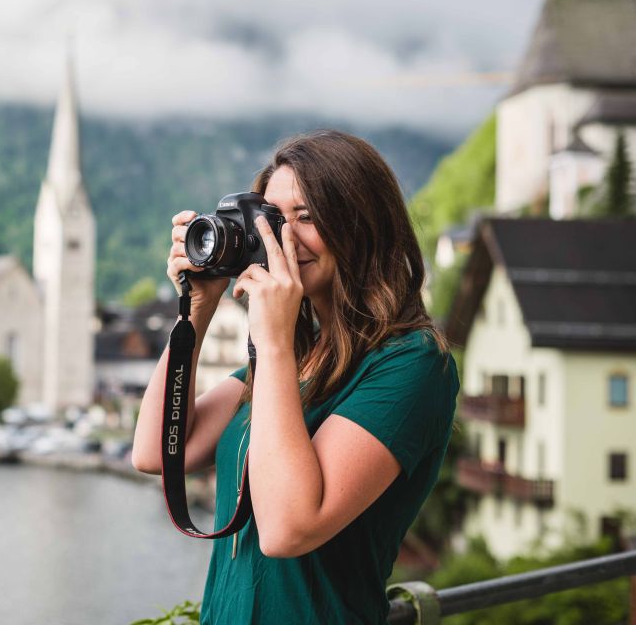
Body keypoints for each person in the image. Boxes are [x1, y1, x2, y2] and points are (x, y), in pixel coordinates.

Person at [131, 130, 459, 624]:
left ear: (363, 225)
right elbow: (157, 452)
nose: (283, 240)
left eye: (306, 217)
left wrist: (275, 340)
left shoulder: (411, 364)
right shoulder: (288, 360)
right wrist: (198, 308)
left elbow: (287, 529)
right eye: (272, 220)